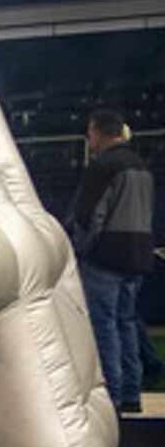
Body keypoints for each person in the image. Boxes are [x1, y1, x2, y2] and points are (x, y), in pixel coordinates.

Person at [66, 110, 152, 414]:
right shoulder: (142, 165)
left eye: (90, 134)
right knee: (126, 323)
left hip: (107, 256)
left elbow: (90, 215)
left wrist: (80, 248)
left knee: (104, 326)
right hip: (138, 254)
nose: (89, 141)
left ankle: (112, 397)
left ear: (99, 132)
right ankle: (131, 393)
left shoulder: (102, 166)